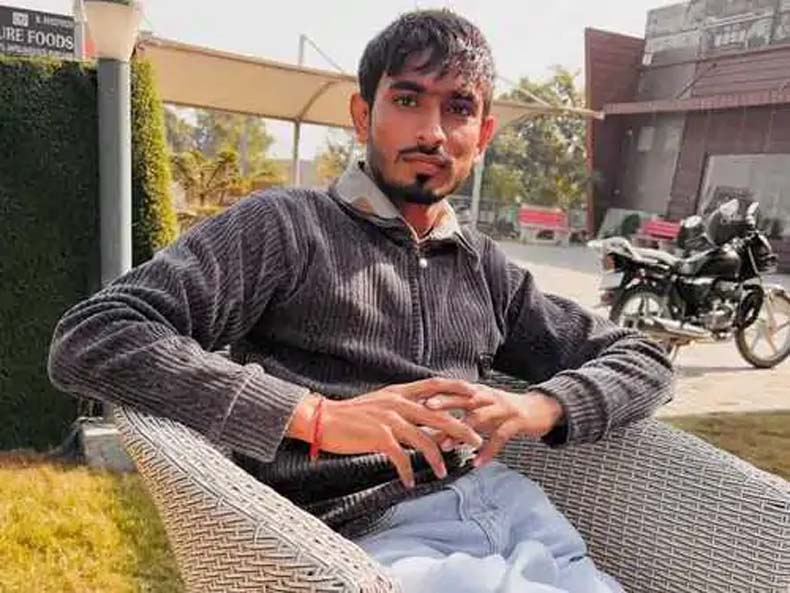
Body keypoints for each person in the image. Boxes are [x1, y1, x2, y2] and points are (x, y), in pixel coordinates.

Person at [48, 9, 673, 592]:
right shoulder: (286, 228)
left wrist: (538, 406)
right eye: (407, 99)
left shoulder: (484, 267)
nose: (432, 132)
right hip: (370, 541)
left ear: (482, 134)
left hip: (523, 518)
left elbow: (645, 359)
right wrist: (313, 415)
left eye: (458, 108)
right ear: (362, 113)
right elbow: (94, 334)